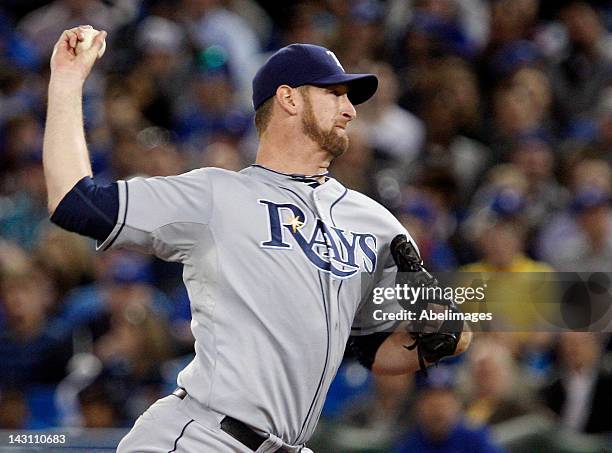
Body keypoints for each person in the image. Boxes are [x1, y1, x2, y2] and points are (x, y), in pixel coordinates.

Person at [43, 26, 471, 452]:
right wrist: (67, 79)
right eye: (334, 94)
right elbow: (75, 201)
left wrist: (441, 331)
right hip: (203, 438)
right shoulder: (215, 195)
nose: (350, 110)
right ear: (289, 98)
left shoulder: (376, 223)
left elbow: (376, 351)